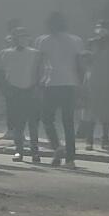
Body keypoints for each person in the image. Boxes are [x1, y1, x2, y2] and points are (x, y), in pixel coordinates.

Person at [33, 10, 86, 167]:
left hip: (50, 83)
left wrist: (36, 83)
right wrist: (81, 84)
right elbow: (80, 65)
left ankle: (57, 147)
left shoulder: (42, 41)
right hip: (70, 83)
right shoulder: (76, 40)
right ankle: (70, 159)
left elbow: (38, 65)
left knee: (47, 119)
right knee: (68, 122)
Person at [0, 23, 40, 161]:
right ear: (13, 39)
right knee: (18, 124)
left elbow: (40, 72)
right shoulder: (5, 53)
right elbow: (0, 73)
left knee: (33, 124)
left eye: (24, 36)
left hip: (31, 91)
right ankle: (19, 151)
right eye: (18, 37)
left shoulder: (35, 53)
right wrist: (5, 89)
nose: (21, 39)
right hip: (14, 91)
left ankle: (35, 152)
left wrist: (38, 88)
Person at [83, 21, 109, 154]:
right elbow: (86, 62)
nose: (101, 31)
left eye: (104, 28)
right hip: (93, 80)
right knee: (91, 111)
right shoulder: (91, 42)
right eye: (99, 28)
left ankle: (105, 139)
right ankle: (89, 139)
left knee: (107, 112)